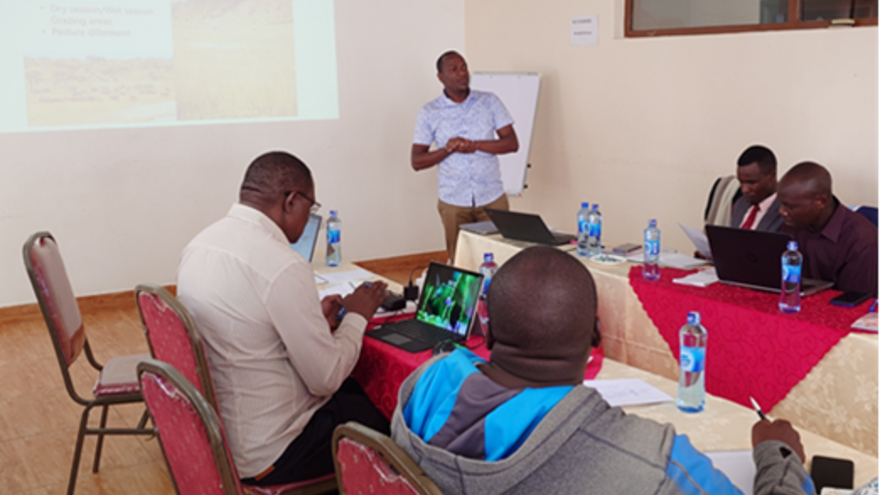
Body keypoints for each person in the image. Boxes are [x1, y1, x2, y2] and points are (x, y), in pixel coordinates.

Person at [391, 246, 815, 495]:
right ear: (597, 335)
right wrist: (778, 458)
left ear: (487, 325)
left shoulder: (423, 385)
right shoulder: (654, 464)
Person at [177, 151, 390, 485]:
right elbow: (326, 379)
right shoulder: (283, 264)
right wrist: (357, 317)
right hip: (273, 451)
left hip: (217, 435)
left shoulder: (201, 244)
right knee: (393, 422)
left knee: (359, 396)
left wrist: (312, 319)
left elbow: (249, 324)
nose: (309, 219)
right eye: (311, 207)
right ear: (291, 201)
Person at [411, 50, 519, 261]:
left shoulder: (489, 101)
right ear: (441, 77)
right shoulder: (429, 112)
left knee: (500, 258)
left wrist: (475, 145)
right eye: (454, 69)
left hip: (491, 197)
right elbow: (416, 161)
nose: (462, 73)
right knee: (461, 260)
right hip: (453, 200)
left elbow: (511, 143)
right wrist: (447, 149)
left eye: (464, 67)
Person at [777, 161, 879, 296]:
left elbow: (855, 302)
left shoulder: (860, 240)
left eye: (789, 206)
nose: (781, 211)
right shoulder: (793, 224)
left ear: (820, 202)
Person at [731, 145, 784, 232]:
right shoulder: (740, 204)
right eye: (741, 182)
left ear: (772, 176)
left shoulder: (786, 210)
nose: (745, 190)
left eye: (751, 183)